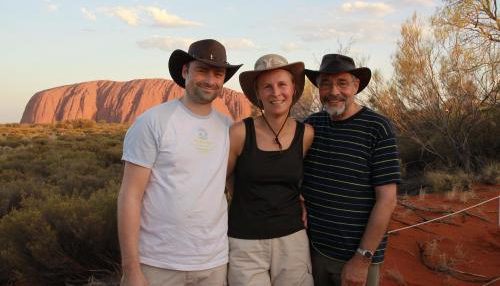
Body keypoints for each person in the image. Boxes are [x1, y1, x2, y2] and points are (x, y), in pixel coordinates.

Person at [117, 39, 242, 286]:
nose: (210, 80)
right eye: (202, 71)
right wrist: (131, 270)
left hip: (213, 263)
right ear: (185, 71)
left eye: (218, 74)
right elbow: (130, 196)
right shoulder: (153, 122)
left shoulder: (228, 128)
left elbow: (237, 186)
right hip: (158, 263)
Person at [302, 54, 401, 286]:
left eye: (342, 83)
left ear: (356, 85)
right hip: (315, 252)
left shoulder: (377, 128)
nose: (333, 91)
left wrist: (361, 259)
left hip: (355, 258)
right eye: (325, 83)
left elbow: (387, 200)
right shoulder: (313, 125)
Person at [226, 54, 315, 286]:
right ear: (258, 93)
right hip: (246, 242)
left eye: (282, 84)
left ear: (293, 89)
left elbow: (301, 178)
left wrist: (303, 198)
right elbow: (223, 180)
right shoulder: (239, 133)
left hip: (292, 240)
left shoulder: (305, 134)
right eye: (267, 86)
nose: (276, 92)